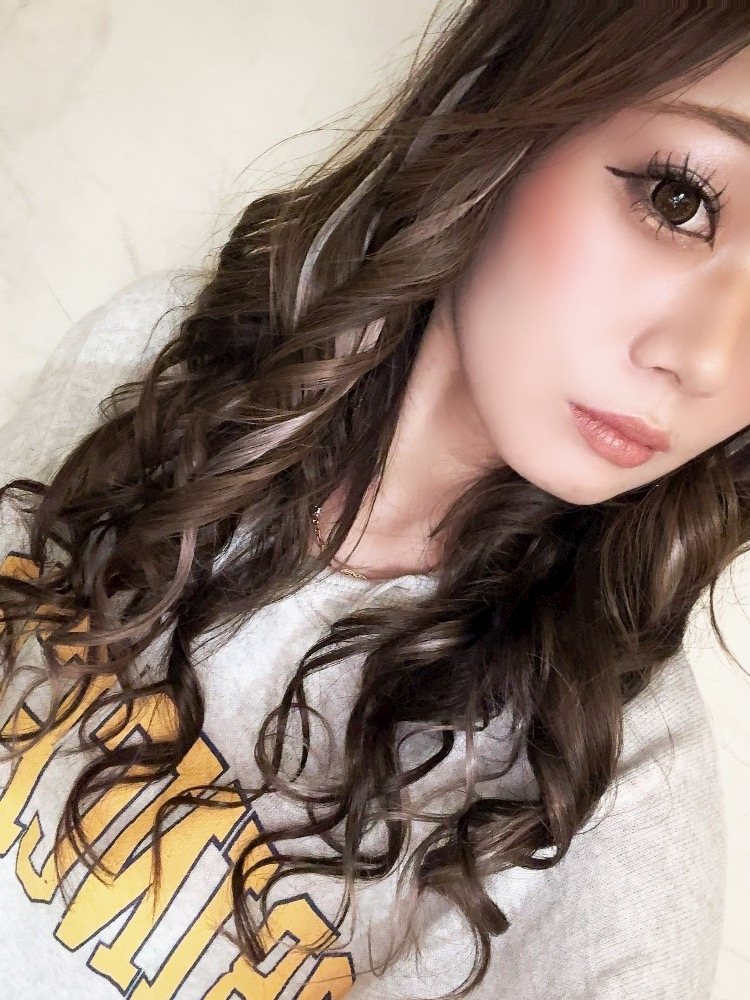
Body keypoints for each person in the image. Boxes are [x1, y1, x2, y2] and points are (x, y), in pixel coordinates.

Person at [0, 1, 748, 997]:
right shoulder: (156, 363)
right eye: (678, 198)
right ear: (509, 100)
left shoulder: (610, 811)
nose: (707, 359)